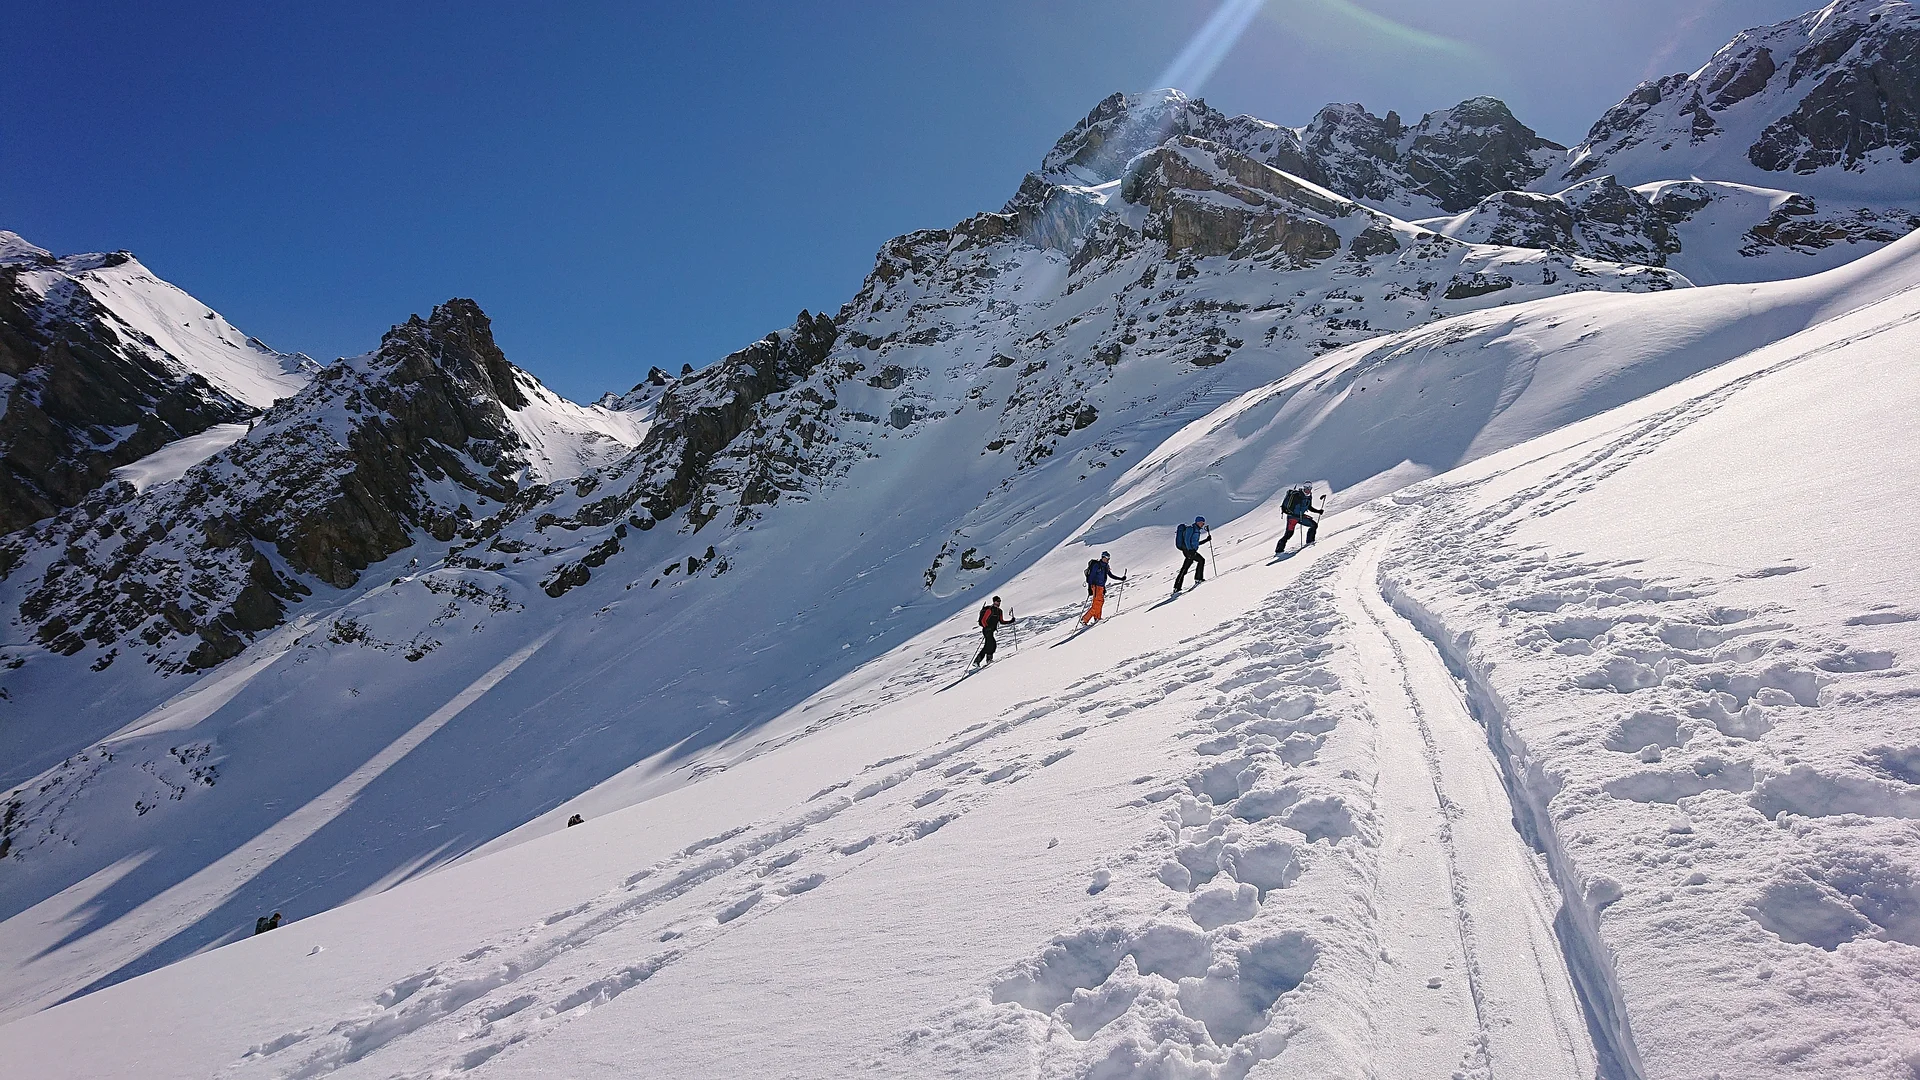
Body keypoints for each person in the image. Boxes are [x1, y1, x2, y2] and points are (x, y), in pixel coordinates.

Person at [1080, 552, 1128, 626]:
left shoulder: (1106, 566)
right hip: (1095, 586)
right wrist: (1089, 588)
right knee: (1097, 603)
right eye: (1106, 558)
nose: (1107, 560)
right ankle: (1084, 619)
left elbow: (1110, 575)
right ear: (1102, 557)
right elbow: (1091, 577)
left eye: (1108, 558)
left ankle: (1097, 617)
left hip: (1101, 587)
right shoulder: (1097, 565)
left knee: (1100, 602)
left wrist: (1121, 578)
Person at [1276, 485, 1321, 554]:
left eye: (1310, 488)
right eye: (1307, 488)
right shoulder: (1298, 496)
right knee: (1289, 534)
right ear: (1304, 488)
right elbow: (1290, 507)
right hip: (1292, 517)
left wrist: (1318, 511)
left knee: (1314, 525)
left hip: (1300, 517)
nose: (1308, 490)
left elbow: (1309, 507)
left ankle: (1310, 542)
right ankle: (1279, 550)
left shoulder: (1308, 497)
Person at [975, 596, 1015, 667]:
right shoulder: (990, 610)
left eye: (999, 601)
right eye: (997, 601)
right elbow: (983, 620)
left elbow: (1001, 621)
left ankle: (984, 660)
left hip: (991, 630)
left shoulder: (999, 611)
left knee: (990, 645)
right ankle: (980, 661)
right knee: (990, 645)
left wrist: (1010, 621)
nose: (999, 602)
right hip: (987, 630)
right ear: (994, 601)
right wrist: (987, 627)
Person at [1174, 516, 1210, 591]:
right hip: (1188, 551)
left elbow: (1195, 543)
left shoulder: (1197, 531)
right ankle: (1198, 578)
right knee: (1201, 560)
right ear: (1197, 522)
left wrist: (1206, 540)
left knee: (1185, 568)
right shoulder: (1191, 529)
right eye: (1201, 523)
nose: (1202, 524)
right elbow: (1187, 540)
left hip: (1190, 551)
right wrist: (1190, 550)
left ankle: (1177, 587)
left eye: (1203, 523)